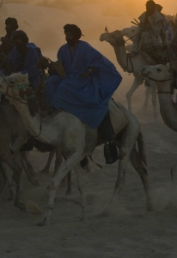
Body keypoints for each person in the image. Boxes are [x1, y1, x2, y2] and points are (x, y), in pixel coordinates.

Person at [45, 24, 122, 163]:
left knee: (64, 86)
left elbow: (99, 61)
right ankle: (50, 109)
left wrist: (90, 70)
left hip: (82, 79)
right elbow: (60, 65)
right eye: (66, 34)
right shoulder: (63, 49)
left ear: (75, 36)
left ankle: (57, 106)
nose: (67, 37)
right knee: (50, 81)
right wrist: (52, 67)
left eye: (69, 35)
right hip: (68, 77)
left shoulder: (85, 48)